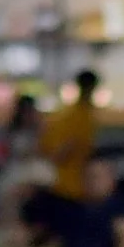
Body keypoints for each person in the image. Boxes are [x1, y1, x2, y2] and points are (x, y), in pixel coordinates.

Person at [38, 70, 102, 201]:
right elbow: (64, 149)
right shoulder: (80, 116)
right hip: (68, 184)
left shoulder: (66, 113)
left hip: (65, 180)